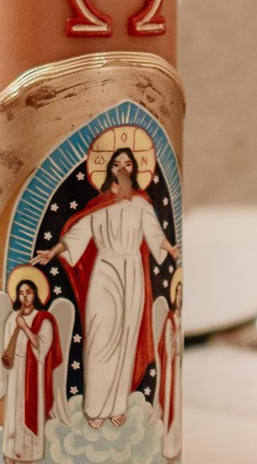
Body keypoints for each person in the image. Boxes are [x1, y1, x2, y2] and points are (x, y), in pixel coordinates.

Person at [35, 146, 179, 428]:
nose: (123, 168)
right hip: (105, 271)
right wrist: (52, 252)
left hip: (132, 273)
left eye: (128, 163)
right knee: (101, 335)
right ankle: (95, 408)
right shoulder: (99, 205)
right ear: (110, 169)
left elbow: (154, 232)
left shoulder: (141, 204)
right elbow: (77, 236)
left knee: (126, 335)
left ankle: (117, 406)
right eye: (117, 164)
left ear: (134, 169)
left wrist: (169, 248)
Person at [0, 276, 61, 464]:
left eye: (29, 292)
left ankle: (28, 454)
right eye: (21, 293)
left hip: (33, 373)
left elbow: (41, 348)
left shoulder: (44, 319)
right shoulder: (12, 319)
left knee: (29, 410)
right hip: (16, 371)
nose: (25, 296)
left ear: (35, 294)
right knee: (13, 412)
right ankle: (11, 451)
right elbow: (7, 348)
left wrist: (25, 327)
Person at [157, 271, 184, 464]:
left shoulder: (178, 318)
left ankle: (175, 450)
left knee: (176, 407)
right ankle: (168, 449)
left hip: (176, 367)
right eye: (178, 293)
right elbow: (165, 346)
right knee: (169, 409)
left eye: (181, 293)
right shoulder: (169, 319)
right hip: (169, 370)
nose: (180, 296)